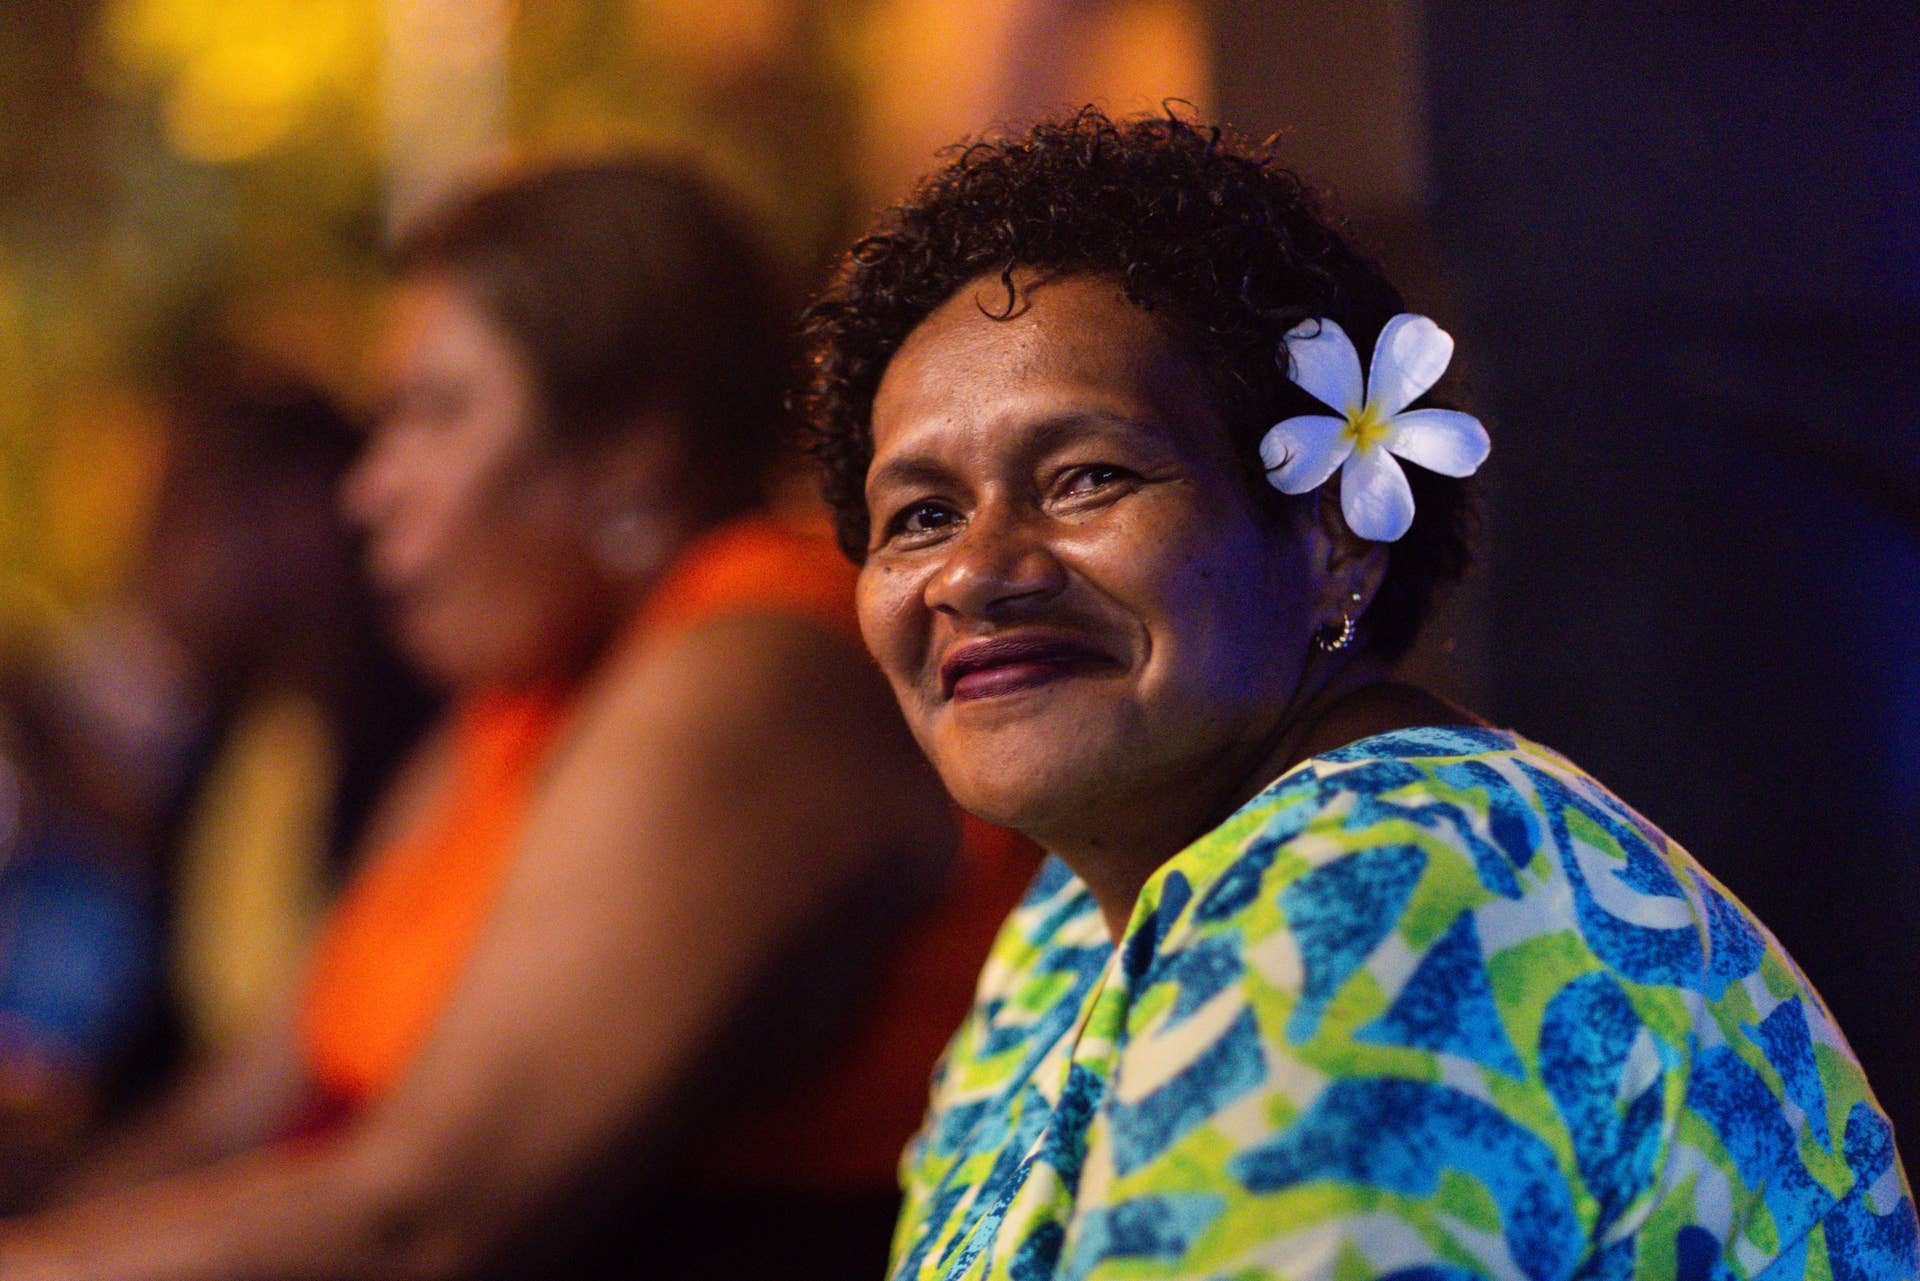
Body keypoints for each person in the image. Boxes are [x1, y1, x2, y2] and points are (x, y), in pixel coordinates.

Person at [796, 109, 1920, 1281]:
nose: (978, 571)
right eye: (921, 516)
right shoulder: (1073, 929)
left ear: (1335, 534)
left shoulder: (1377, 896)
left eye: (1089, 479)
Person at [0, 154, 1031, 1280]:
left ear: (631, 451)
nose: (369, 488)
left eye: (432, 415)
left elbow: (422, 1213)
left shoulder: (751, 666)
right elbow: (235, 1112)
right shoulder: (532, 694)